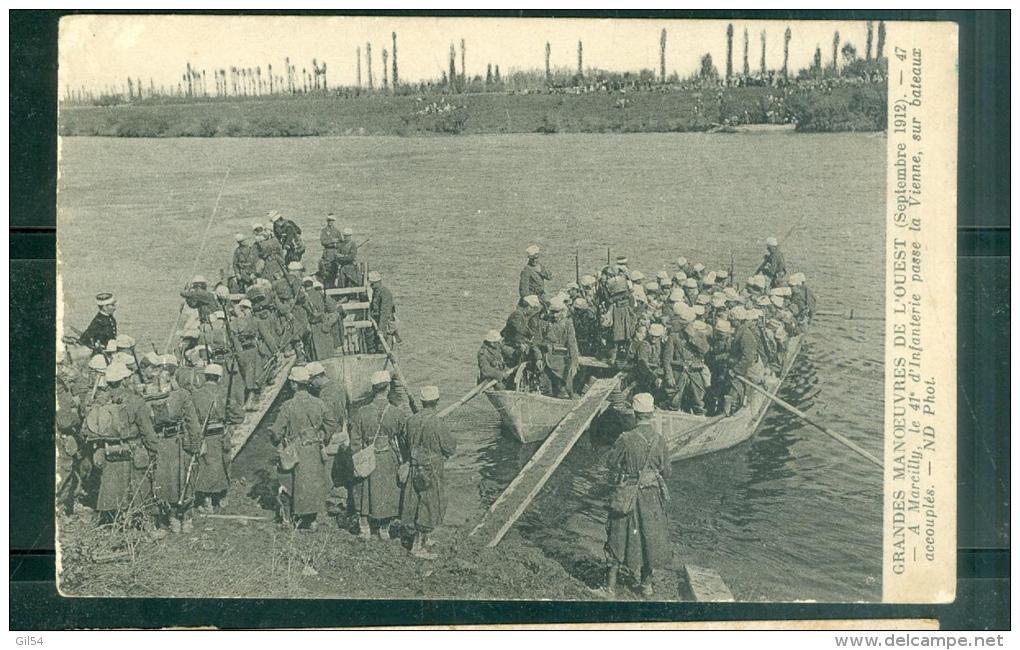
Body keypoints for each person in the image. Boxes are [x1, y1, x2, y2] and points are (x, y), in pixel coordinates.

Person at [604, 393, 671, 598]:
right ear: (651, 414)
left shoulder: (625, 438)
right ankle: (647, 585)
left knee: (617, 535)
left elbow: (611, 462)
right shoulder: (660, 440)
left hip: (629, 493)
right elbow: (667, 472)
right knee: (650, 537)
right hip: (652, 496)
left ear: (634, 413)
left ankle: (609, 589)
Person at [85, 362, 160, 528]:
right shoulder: (136, 402)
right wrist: (155, 451)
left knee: (112, 488)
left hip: (110, 453)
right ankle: (144, 525)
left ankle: (115, 522)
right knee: (139, 488)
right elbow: (147, 431)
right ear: (125, 380)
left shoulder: (101, 402)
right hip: (133, 452)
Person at [269, 365, 337, 530]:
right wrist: (322, 436)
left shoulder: (288, 406)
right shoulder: (319, 403)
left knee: (287, 481)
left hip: (295, 450)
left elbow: (277, 431)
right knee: (312, 482)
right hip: (314, 448)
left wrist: (276, 441)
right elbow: (331, 423)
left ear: (293, 384)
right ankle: (311, 519)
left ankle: (288, 519)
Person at [349, 370, 407, 541]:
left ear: (373, 388)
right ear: (388, 388)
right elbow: (404, 439)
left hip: (368, 456)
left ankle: (365, 527)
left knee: (365, 489)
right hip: (387, 456)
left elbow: (355, 441)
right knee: (388, 490)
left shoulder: (362, 412)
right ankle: (384, 529)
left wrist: (357, 459)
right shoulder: (396, 412)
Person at [400, 385, 457, 559]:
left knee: (416, 502)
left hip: (414, 466)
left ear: (422, 402)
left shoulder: (411, 421)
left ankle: (423, 539)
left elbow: (404, 443)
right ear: (436, 402)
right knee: (430, 505)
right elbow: (450, 447)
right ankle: (417, 547)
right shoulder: (437, 423)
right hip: (431, 469)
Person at [148, 371, 202, 534]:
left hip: (161, 442)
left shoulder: (149, 397)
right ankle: (186, 518)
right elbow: (192, 422)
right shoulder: (182, 395)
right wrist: (195, 445)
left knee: (166, 480)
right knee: (185, 477)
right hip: (179, 442)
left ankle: (172, 518)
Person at [190, 363, 244, 514]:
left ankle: (206, 499)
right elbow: (239, 415)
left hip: (204, 435)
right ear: (219, 378)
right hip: (221, 434)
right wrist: (230, 427)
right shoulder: (223, 393)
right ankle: (221, 497)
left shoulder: (196, 394)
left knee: (205, 465)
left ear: (205, 377)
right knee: (223, 463)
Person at [662, 304, 710, 414]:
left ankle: (699, 415)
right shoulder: (674, 336)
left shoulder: (699, 335)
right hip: (678, 371)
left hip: (695, 371)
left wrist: (693, 338)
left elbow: (705, 350)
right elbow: (666, 359)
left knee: (698, 399)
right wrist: (669, 376)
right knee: (674, 400)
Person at [535, 297, 580, 398]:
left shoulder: (568, 323)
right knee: (546, 389)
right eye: (552, 312)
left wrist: (574, 362)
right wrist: (538, 358)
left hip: (562, 361)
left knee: (564, 390)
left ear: (563, 311)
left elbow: (572, 343)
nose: (554, 315)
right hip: (546, 359)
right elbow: (536, 343)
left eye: (557, 312)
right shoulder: (543, 322)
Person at [368, 271, 398, 353]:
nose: (371, 286)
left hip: (385, 324)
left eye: (373, 284)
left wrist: (381, 329)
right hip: (377, 322)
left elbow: (385, 312)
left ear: (378, 282)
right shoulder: (376, 292)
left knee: (384, 346)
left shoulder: (385, 293)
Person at [318, 213, 343, 288]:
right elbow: (323, 242)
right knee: (326, 270)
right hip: (327, 253)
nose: (330, 222)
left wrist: (336, 243)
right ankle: (327, 286)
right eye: (329, 220)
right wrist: (332, 240)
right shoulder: (324, 231)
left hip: (335, 252)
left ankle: (332, 286)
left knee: (334, 269)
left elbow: (341, 241)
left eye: (332, 220)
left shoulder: (337, 231)